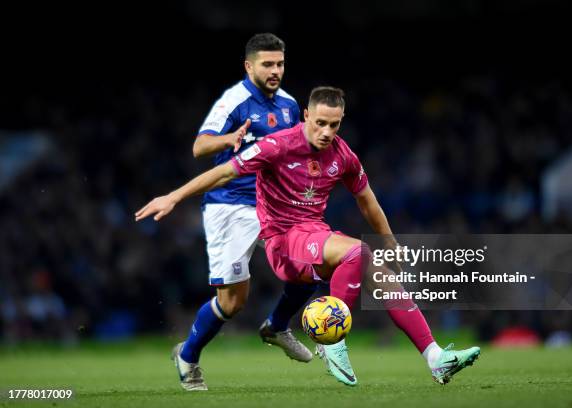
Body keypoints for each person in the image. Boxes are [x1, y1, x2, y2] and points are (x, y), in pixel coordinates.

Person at [136, 86, 480, 386]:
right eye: (320, 122)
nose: (327, 131)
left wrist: (390, 242)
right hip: (283, 241)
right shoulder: (277, 146)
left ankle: (435, 357)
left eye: (335, 124)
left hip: (314, 234)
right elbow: (224, 173)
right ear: (305, 115)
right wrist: (173, 196)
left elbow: (367, 199)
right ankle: (331, 343)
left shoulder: (342, 154)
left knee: (379, 273)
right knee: (357, 253)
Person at [172, 33, 315, 391]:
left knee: (310, 265)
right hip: (230, 206)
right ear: (249, 66)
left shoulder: (289, 104)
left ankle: (277, 326)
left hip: (275, 205)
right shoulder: (233, 101)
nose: (275, 70)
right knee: (233, 302)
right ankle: (188, 355)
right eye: (267, 64)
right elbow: (199, 147)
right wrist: (229, 139)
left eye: (280, 63)